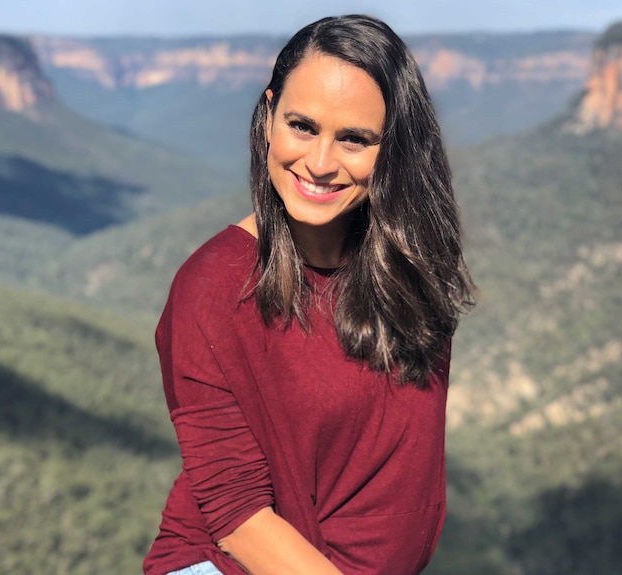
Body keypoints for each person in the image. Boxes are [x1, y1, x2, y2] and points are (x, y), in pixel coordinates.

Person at [143, 14, 475, 575]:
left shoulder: (412, 266)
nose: (319, 164)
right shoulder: (215, 285)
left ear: (394, 147)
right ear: (268, 115)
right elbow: (237, 516)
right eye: (301, 125)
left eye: (354, 138)